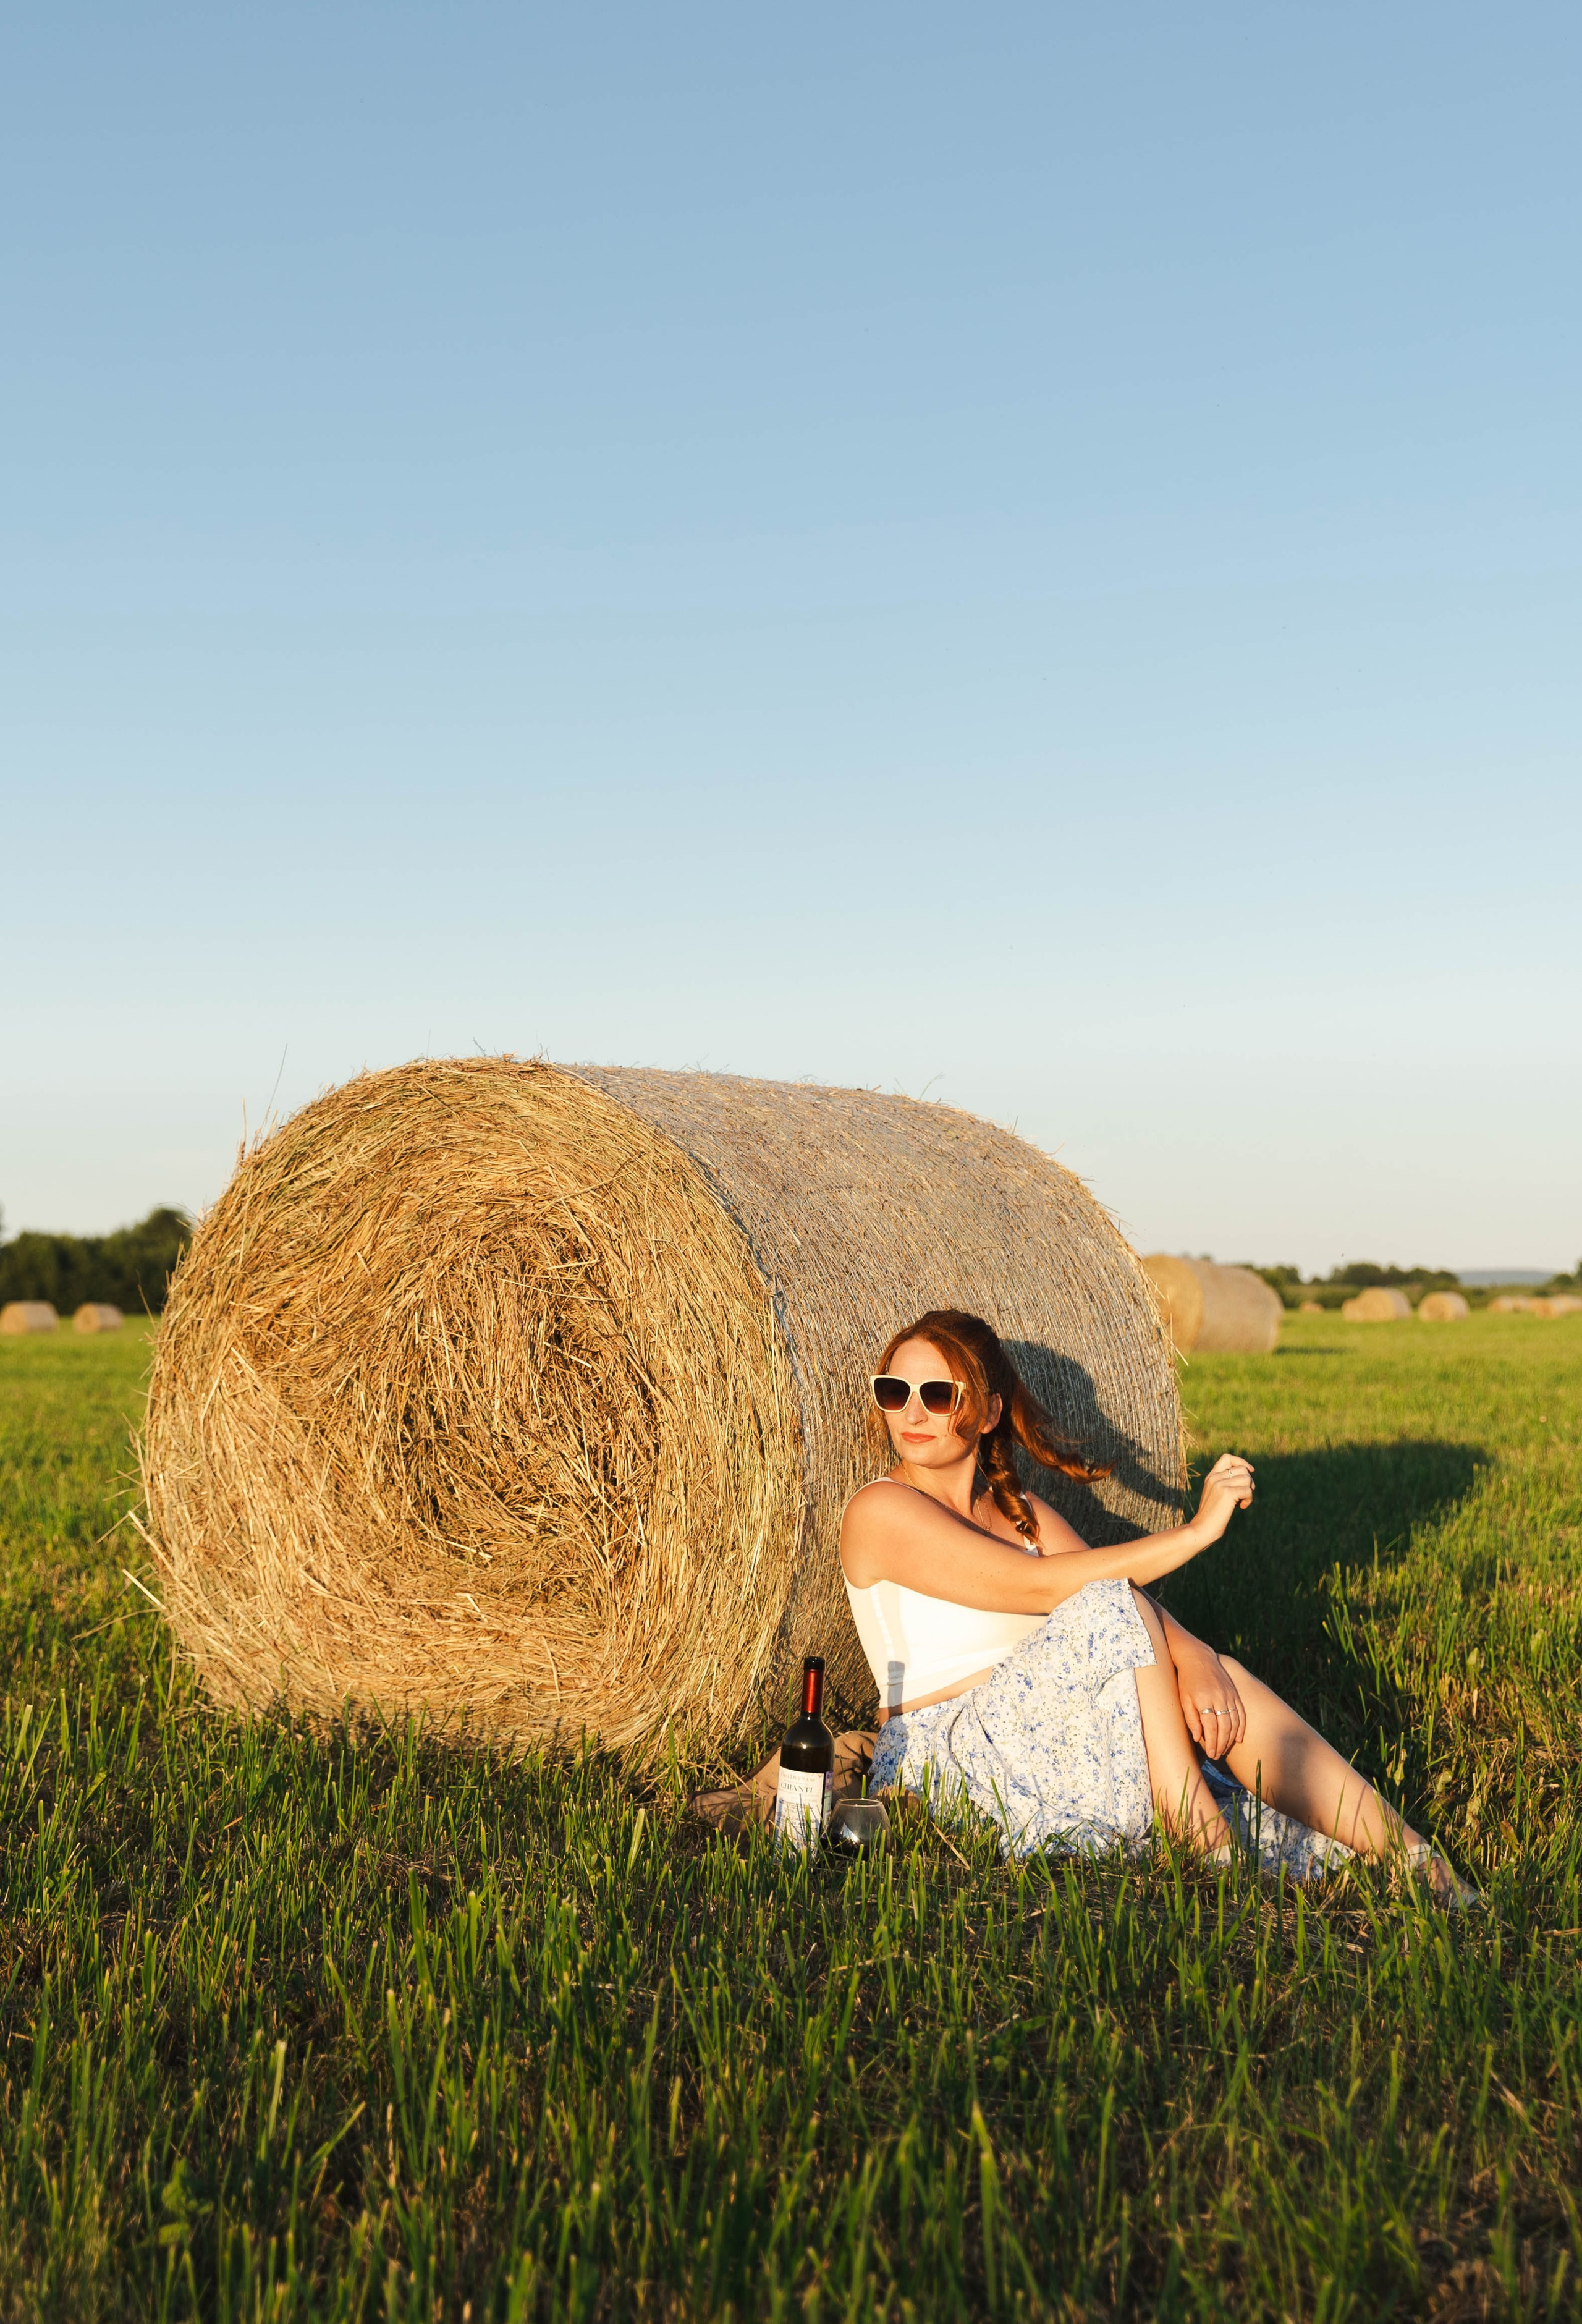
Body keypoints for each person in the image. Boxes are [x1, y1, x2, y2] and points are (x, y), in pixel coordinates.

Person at [841, 1308, 1477, 1902]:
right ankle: (1199, 1834)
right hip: (951, 1758)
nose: (912, 1412)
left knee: (1234, 1696)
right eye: (894, 1391)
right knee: (1106, 1604)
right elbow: (1047, 1589)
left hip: (1061, 1736)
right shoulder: (882, 1510)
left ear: (986, 1413)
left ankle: (1418, 1860)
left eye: (938, 1393)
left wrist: (1197, 1656)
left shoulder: (1025, 1515)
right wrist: (1197, 1532)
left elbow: (1127, 1605)